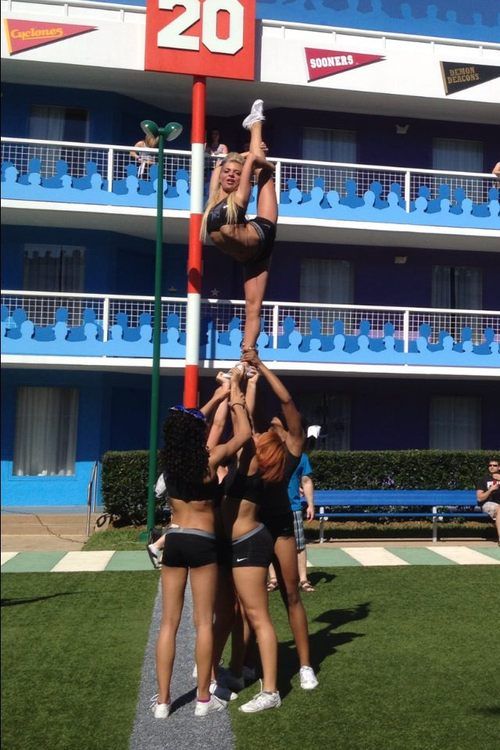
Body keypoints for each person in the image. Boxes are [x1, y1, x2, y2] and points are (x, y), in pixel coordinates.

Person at [151, 369, 251, 720]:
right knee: (203, 624)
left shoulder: (170, 464)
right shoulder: (210, 459)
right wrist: (235, 393)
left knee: (168, 624)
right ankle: (204, 700)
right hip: (204, 542)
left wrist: (215, 398)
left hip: (175, 541)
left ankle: (163, 701)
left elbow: (189, 422)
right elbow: (244, 434)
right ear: (197, 433)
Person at [243, 354, 319, 691]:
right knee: (251, 603)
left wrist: (260, 365)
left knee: (291, 594)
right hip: (255, 529)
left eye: (279, 420)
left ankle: (305, 666)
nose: (275, 419)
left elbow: (288, 401)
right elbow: (249, 412)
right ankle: (247, 664)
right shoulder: (260, 446)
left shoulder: (292, 450)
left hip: (281, 528)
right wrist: (249, 379)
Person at [215, 371, 281, 713]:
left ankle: (271, 691)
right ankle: (239, 673)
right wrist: (248, 385)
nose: (253, 435)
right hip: (235, 546)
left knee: (258, 616)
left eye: (258, 436)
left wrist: (236, 385)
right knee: (240, 614)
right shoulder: (247, 462)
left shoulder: (252, 463)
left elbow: (244, 420)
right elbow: (247, 422)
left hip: (250, 546)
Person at [201, 100, 278, 356]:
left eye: (236, 173)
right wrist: (244, 158)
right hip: (253, 255)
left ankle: (256, 123)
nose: (232, 175)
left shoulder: (238, 200)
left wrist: (255, 161)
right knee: (252, 307)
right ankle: (249, 351)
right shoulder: (213, 195)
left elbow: (253, 164)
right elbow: (223, 166)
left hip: (262, 232)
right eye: (228, 172)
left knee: (264, 174)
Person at [476, 458, 500, 545]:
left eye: (495, 465)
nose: (492, 467)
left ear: (499, 467)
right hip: (488, 504)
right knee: (499, 509)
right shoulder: (484, 479)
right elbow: (479, 498)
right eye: (490, 465)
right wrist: (490, 490)